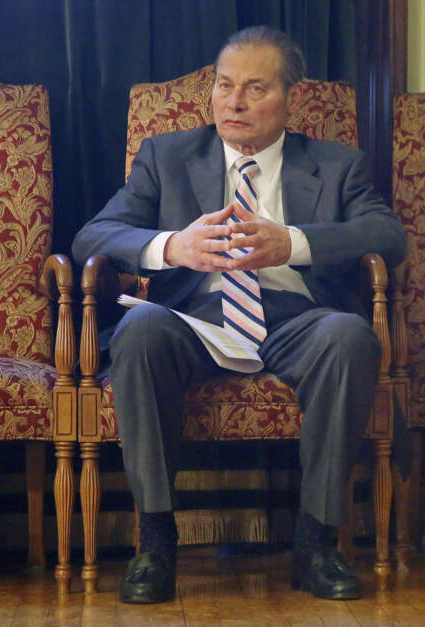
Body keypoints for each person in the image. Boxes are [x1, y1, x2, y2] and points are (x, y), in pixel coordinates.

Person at [72, 25, 406, 603]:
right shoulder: (167, 156)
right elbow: (93, 236)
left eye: (255, 88)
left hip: (295, 318)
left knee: (349, 336)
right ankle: (155, 544)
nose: (235, 102)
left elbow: (387, 235)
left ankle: (316, 543)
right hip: (193, 317)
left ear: (290, 98)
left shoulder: (337, 164)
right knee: (139, 329)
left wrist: (292, 243)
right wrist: (172, 247)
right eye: (224, 86)